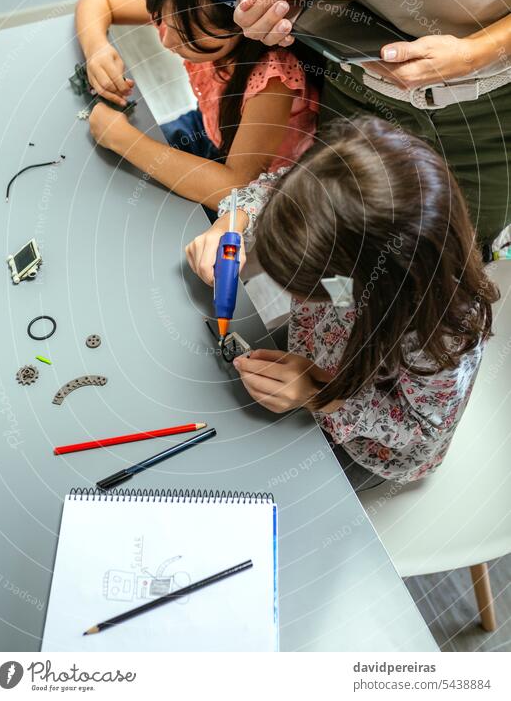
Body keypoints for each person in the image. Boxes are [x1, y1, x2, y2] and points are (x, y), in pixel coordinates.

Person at [185, 117, 499, 491]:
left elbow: (418, 429)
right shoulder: (337, 187)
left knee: (266, 485)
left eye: (308, 287)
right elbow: (274, 189)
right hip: (319, 352)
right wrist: (231, 224)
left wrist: (318, 395)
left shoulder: (442, 331)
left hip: (367, 445)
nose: (296, 299)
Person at [233, 0, 511, 253]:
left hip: (489, 118)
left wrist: (477, 52)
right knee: (353, 247)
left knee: (454, 257)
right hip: (356, 93)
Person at [75, 0, 319, 212]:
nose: (166, 39)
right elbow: (97, 1)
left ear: (244, 24)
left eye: (187, 36)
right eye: (163, 20)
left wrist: (124, 141)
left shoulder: (274, 78)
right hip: (212, 130)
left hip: (262, 193)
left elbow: (235, 187)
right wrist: (97, 47)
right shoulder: (183, 1)